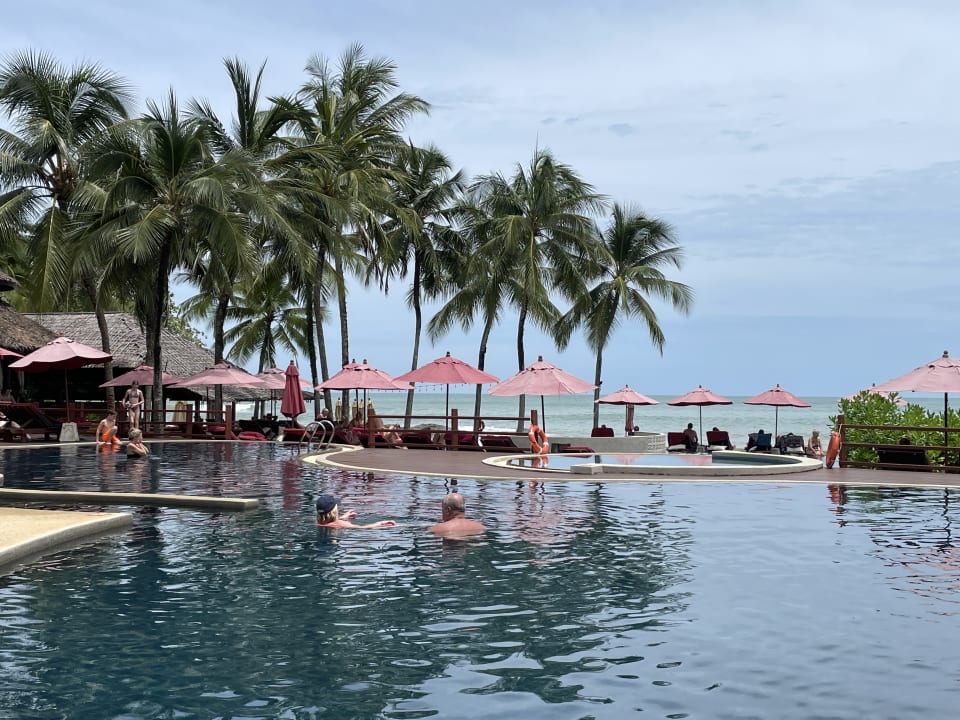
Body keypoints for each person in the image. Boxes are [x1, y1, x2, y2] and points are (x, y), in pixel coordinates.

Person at [315, 494, 397, 529]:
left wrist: (343, 517)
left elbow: (329, 523)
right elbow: (361, 528)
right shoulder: (341, 524)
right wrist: (380, 524)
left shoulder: (318, 523)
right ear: (334, 511)